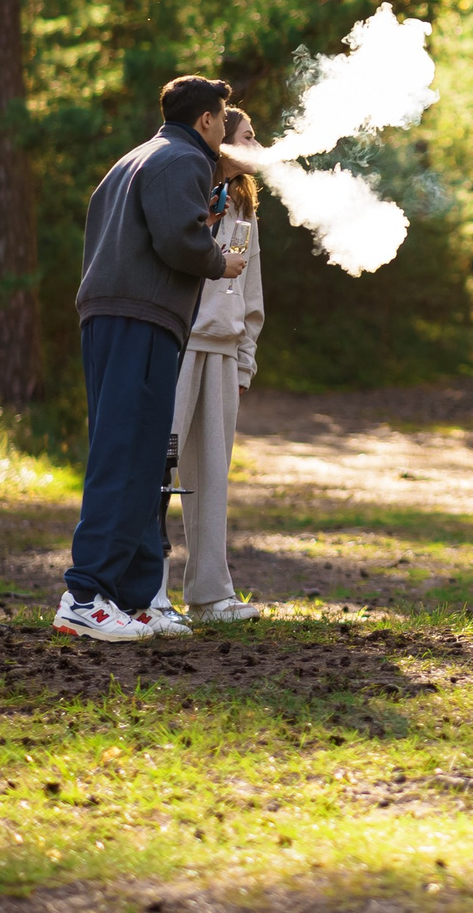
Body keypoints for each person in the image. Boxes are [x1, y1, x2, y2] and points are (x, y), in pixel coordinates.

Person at [59, 75, 247, 642]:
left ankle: (138, 599)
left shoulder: (141, 157)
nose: (225, 131)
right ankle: (85, 596)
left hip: (121, 315)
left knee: (143, 457)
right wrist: (219, 261)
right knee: (125, 451)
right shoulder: (183, 159)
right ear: (208, 120)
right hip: (137, 318)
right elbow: (176, 241)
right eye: (223, 118)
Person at [164, 106, 268, 624]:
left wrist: (244, 361)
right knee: (160, 470)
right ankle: (148, 591)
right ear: (220, 134)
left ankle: (209, 596)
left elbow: (251, 295)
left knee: (212, 478)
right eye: (247, 134)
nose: (255, 143)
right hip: (179, 348)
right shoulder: (187, 188)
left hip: (224, 355)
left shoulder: (244, 213)